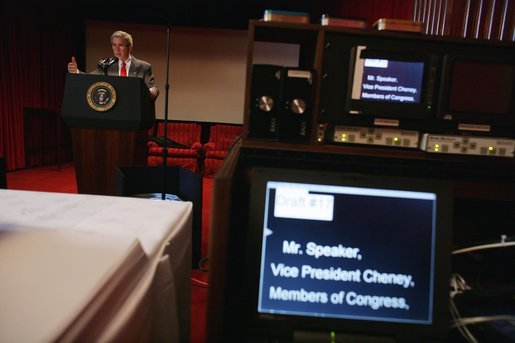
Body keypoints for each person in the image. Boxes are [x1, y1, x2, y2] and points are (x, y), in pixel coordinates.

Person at [67, 30, 159, 100]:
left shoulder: (144, 67)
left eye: (120, 45)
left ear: (130, 48)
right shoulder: (107, 65)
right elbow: (90, 78)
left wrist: (152, 91)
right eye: (114, 45)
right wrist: (76, 71)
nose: (116, 49)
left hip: (133, 110)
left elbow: (152, 88)